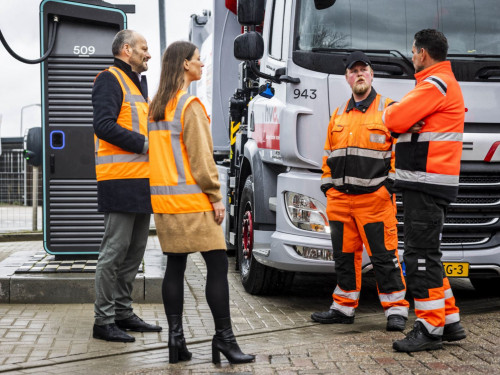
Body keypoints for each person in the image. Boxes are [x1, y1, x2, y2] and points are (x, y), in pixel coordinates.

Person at [148, 41, 255, 365]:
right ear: (184, 65)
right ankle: (224, 338)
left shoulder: (156, 107)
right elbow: (201, 160)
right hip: (193, 203)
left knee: (175, 267)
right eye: (197, 60)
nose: (202, 65)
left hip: (165, 206)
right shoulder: (188, 105)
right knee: (219, 267)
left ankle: (176, 341)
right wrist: (215, 197)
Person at [311, 51, 410, 332]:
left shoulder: (389, 109)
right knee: (344, 257)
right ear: (347, 78)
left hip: (374, 201)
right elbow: (329, 153)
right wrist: (328, 186)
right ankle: (343, 307)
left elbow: (400, 152)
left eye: (363, 69)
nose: (359, 75)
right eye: (353, 71)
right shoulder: (339, 113)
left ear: (371, 74)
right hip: (340, 201)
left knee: (384, 257)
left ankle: (396, 310)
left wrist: (388, 186)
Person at [383, 29, 466, 352]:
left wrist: (400, 118)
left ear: (422, 54)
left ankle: (429, 328)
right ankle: (449, 321)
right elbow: (403, 119)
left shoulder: (433, 84)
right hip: (429, 182)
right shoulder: (438, 83)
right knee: (429, 253)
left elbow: (393, 117)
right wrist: (405, 120)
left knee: (419, 257)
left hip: (426, 182)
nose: (413, 56)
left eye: (413, 52)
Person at [92, 29, 162, 342]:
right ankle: (103, 322)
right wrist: (145, 144)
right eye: (144, 48)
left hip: (140, 183)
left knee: (133, 254)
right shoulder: (110, 79)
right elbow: (103, 125)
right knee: (114, 252)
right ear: (126, 49)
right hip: (119, 181)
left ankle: (122, 312)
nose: (148, 54)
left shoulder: (136, 84)